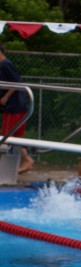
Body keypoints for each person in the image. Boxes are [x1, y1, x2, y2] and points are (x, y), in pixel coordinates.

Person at [0, 44, 33, 174]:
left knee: (6, 136)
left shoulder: (5, 64)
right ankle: (26, 160)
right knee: (16, 136)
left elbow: (16, 83)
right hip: (20, 106)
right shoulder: (4, 64)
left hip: (13, 106)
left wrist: (5, 98)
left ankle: (21, 162)